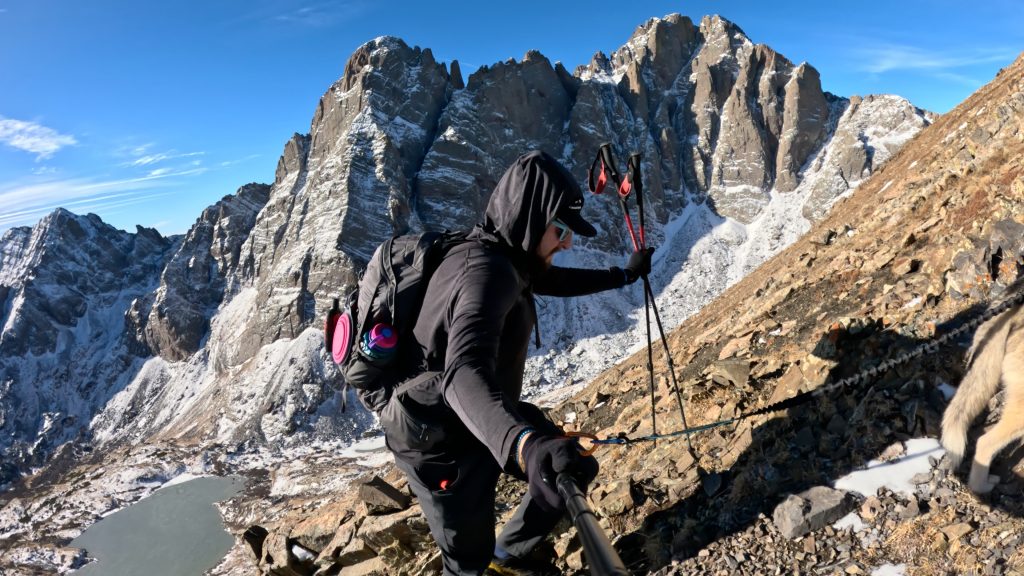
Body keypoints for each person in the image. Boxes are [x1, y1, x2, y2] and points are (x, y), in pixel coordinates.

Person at [380, 150, 653, 576]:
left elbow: (547, 279)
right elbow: (462, 371)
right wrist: (525, 445)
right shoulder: (484, 273)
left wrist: (622, 275)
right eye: (560, 229)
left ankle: (506, 558)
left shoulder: (508, 256)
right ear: (530, 218)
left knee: (569, 462)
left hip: (479, 413)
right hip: (437, 440)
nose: (567, 243)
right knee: (465, 559)